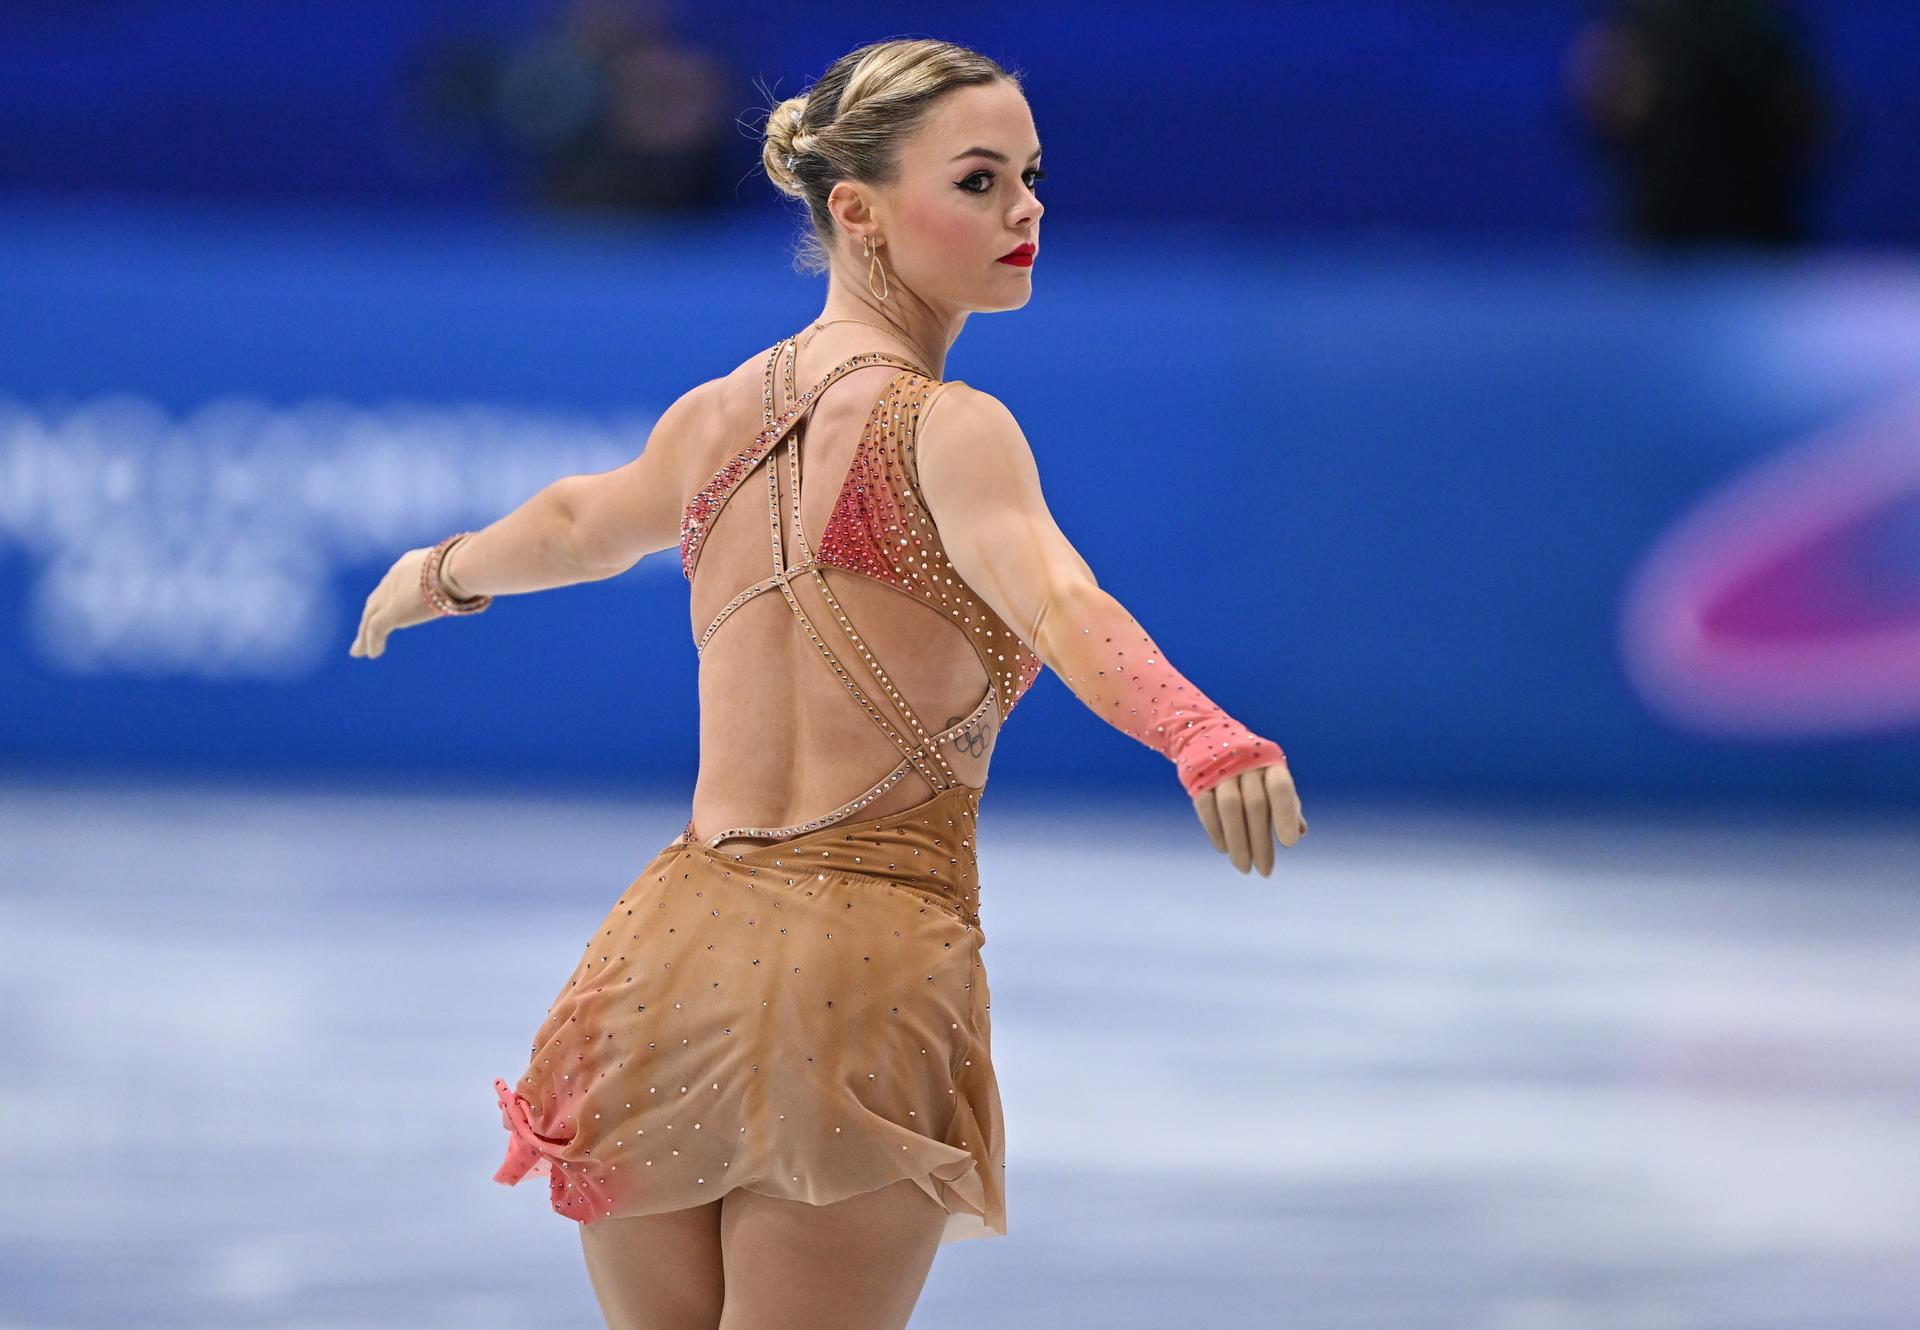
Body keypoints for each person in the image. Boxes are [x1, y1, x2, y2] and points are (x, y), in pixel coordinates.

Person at [349, 36, 1305, 1330]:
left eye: (1029, 175)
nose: (1025, 210)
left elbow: (581, 523)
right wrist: (1199, 732)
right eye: (978, 181)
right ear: (856, 213)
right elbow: (1062, 602)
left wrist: (441, 568)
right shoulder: (952, 429)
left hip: (665, 956)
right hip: (858, 966)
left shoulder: (714, 415)